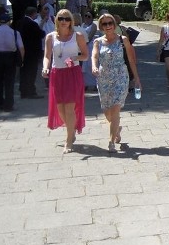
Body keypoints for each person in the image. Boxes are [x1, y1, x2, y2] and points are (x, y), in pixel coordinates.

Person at [92, 13, 141, 153]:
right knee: (108, 112)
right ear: (101, 26)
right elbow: (94, 56)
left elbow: (131, 60)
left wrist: (136, 79)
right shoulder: (98, 42)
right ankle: (117, 129)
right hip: (103, 78)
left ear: (114, 24)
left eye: (110, 23)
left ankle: (111, 142)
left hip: (120, 77)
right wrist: (94, 66)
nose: (108, 26)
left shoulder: (123, 40)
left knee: (115, 109)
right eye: (104, 24)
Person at [43, 8, 89, 153]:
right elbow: (47, 56)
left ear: (71, 21)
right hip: (57, 74)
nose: (64, 21)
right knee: (60, 108)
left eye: (67, 19)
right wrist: (45, 68)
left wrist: (75, 58)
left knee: (69, 107)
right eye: (61, 18)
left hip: (72, 73)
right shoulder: (50, 37)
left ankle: (69, 140)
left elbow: (85, 55)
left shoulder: (78, 35)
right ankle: (71, 129)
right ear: (56, 20)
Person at [15, 7, 45, 99]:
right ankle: (30, 91)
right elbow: (41, 34)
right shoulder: (32, 24)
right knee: (31, 72)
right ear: (33, 13)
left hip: (21, 49)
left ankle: (23, 90)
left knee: (23, 71)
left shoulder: (19, 22)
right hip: (32, 52)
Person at [0, 11, 23, 112]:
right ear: (9, 22)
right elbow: (21, 48)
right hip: (10, 58)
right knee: (9, 82)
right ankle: (9, 104)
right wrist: (21, 60)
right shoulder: (15, 33)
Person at [80, 12, 98, 92]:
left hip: (90, 46)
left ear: (92, 17)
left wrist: (83, 43)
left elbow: (90, 36)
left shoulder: (94, 26)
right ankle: (85, 84)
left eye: (89, 16)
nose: (87, 17)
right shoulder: (82, 25)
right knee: (84, 67)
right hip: (83, 46)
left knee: (91, 65)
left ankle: (95, 84)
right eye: (85, 16)